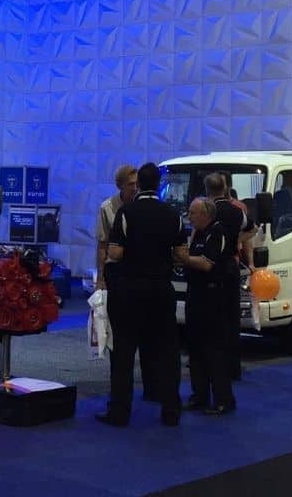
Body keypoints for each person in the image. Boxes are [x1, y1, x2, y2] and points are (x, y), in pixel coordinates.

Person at [99, 163, 187, 427]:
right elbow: (181, 255)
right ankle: (171, 409)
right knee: (167, 350)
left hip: (129, 289)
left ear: (140, 185)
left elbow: (114, 253)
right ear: (158, 184)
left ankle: (119, 411)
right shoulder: (173, 214)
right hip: (161, 289)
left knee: (123, 352)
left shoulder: (126, 213)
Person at [181, 197, 236, 415]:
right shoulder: (198, 233)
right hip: (195, 295)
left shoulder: (217, 232)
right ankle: (200, 395)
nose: (189, 216)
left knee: (214, 350)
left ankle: (223, 398)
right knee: (195, 349)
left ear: (206, 214)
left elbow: (206, 263)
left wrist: (184, 258)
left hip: (213, 297)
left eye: (193, 213)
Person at [203, 173, 252, 380]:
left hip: (211, 269)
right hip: (230, 268)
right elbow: (252, 229)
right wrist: (235, 241)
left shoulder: (206, 211)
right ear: (225, 187)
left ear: (207, 190)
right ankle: (233, 368)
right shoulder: (237, 210)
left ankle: (213, 366)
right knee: (232, 321)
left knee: (211, 322)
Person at [95, 165, 138, 291]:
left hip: (137, 271)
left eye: (137, 183)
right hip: (115, 271)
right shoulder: (107, 208)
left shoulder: (142, 207)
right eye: (131, 184)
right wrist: (100, 279)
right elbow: (102, 245)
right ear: (120, 186)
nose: (135, 188)